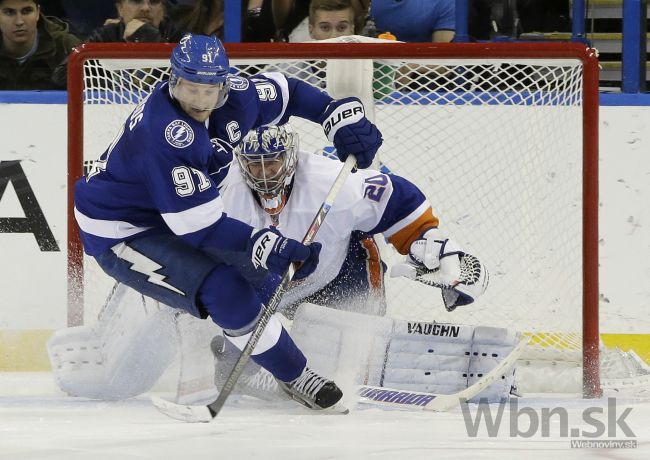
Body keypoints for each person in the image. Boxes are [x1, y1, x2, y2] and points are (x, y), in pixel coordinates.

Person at [71, 33, 382, 410]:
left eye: (210, 90)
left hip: (172, 212)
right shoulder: (164, 136)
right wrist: (266, 243)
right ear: (173, 81)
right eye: (190, 89)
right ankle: (294, 374)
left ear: (224, 83)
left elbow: (289, 92)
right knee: (223, 289)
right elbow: (198, 228)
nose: (200, 102)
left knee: (262, 277)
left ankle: (239, 358)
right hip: (123, 228)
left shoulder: (237, 95)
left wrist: (336, 117)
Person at [0, 0, 80, 89]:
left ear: (38, 12)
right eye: (9, 12)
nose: (19, 22)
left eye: (27, 11)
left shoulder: (67, 48)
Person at [369, 0, 455, 43]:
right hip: (368, 65)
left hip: (418, 72)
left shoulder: (447, 3)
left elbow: (445, 64)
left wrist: (406, 69)